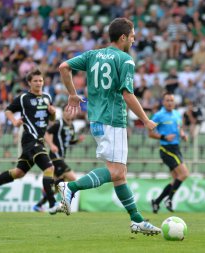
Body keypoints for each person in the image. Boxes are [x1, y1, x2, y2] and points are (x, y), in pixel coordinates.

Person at [57, 18, 161, 235]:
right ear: (123, 37)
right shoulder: (125, 60)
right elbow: (128, 94)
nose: (134, 40)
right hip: (113, 120)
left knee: (120, 174)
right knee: (116, 170)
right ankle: (70, 187)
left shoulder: (92, 54)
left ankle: (137, 220)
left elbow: (64, 67)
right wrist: (145, 119)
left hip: (95, 119)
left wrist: (72, 95)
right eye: (132, 36)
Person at [0, 69, 62, 215]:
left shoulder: (47, 97)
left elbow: (51, 121)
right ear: (29, 82)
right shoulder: (24, 98)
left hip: (39, 141)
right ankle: (53, 204)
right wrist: (15, 121)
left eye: (40, 80)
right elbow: (8, 110)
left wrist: (53, 113)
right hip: (30, 140)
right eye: (35, 80)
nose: (38, 83)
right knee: (50, 168)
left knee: (19, 173)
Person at [33, 105, 83, 212]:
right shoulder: (59, 123)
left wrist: (78, 141)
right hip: (55, 157)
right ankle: (63, 202)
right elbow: (46, 133)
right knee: (73, 178)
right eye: (67, 111)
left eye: (71, 111)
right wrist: (51, 145)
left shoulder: (72, 126)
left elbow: (69, 142)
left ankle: (39, 204)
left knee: (57, 187)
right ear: (64, 113)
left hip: (62, 157)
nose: (69, 113)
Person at [149, 93, 190, 214]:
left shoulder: (177, 114)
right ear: (163, 102)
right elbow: (150, 133)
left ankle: (157, 201)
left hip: (176, 148)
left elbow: (179, 128)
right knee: (184, 174)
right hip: (166, 149)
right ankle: (169, 199)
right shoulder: (158, 115)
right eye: (167, 100)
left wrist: (182, 134)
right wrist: (163, 136)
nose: (170, 103)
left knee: (176, 179)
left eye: (172, 100)